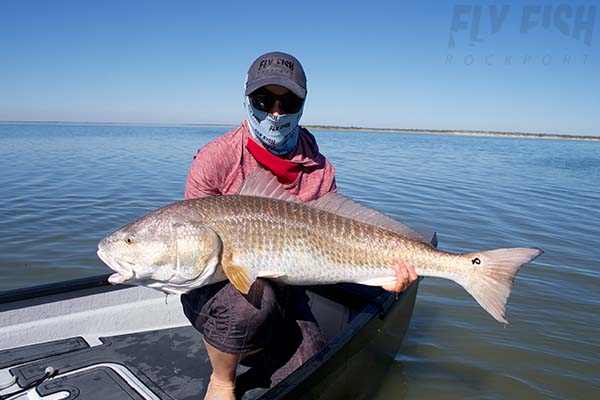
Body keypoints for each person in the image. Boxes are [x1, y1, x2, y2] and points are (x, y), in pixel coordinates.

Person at [181, 51, 418, 400]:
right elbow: (189, 240)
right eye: (264, 99)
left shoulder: (320, 169)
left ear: (302, 104)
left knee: (310, 369)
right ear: (247, 99)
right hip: (216, 286)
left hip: (290, 287)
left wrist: (385, 272)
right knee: (250, 309)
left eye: (287, 100)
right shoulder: (215, 158)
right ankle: (223, 378)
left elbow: (338, 240)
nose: (275, 112)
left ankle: (257, 349)